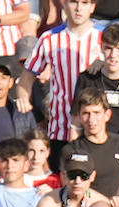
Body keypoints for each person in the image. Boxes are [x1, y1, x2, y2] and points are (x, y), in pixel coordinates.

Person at [17, 0, 104, 148]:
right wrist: (23, 98)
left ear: (92, 6)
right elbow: (27, 76)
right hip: (60, 128)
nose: (78, 8)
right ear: (64, 4)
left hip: (97, 129)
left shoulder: (104, 37)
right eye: (73, 2)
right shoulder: (49, 38)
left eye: (84, 3)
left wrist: (105, 63)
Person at [67, 87, 119, 198]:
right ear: (79, 116)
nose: (91, 119)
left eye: (96, 112)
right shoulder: (72, 150)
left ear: (107, 115)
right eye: (86, 113)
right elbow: (72, 189)